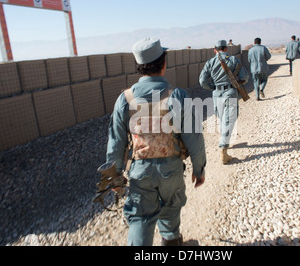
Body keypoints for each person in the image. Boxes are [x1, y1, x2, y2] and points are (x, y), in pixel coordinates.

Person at [104, 38, 207, 246]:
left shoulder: (125, 99)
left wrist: (114, 177)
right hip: (171, 169)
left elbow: (116, 141)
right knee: (170, 212)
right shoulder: (177, 95)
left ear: (139, 67)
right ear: (164, 64)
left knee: (140, 218)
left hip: (140, 171)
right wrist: (199, 168)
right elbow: (194, 137)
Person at [199, 40, 249, 164]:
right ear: (226, 49)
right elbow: (245, 77)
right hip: (230, 93)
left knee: (222, 118)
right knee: (230, 119)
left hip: (217, 94)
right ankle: (223, 148)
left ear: (215, 50)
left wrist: (213, 87)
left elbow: (202, 81)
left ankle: (225, 140)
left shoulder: (210, 62)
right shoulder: (234, 60)